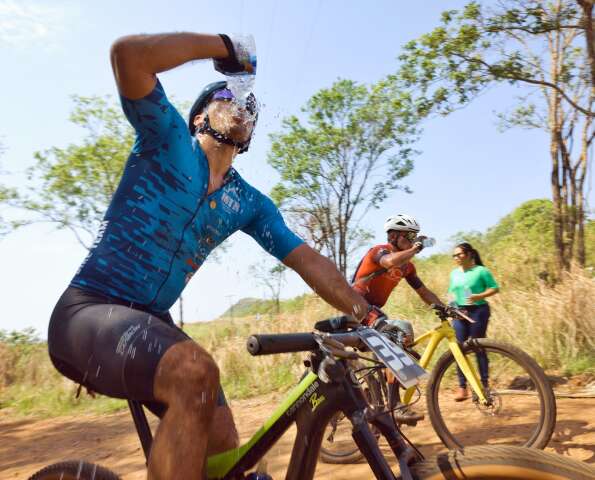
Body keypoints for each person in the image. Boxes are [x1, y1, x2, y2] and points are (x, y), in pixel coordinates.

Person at [47, 32, 372, 480]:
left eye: (251, 110)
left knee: (225, 445)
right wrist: (222, 47)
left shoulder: (248, 201)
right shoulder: (166, 140)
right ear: (199, 116)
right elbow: (128, 57)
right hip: (88, 312)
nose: (243, 107)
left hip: (152, 322)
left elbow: (307, 259)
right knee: (195, 371)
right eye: (228, 97)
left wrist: (367, 313)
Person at [351, 213, 444, 422]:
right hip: (356, 306)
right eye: (409, 236)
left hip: (374, 311)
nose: (413, 240)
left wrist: (444, 308)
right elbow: (389, 261)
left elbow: (424, 292)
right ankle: (395, 406)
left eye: (415, 237)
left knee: (405, 336)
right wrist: (415, 249)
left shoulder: (408, 266)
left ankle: (388, 391)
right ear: (393, 236)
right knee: (398, 331)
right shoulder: (380, 251)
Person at [448, 242, 500, 401]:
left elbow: (494, 288)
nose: (456, 258)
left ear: (469, 254)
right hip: (459, 312)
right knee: (459, 348)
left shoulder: (481, 271)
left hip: (478, 311)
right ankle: (462, 387)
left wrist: (479, 296)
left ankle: (484, 386)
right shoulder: (454, 274)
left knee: (477, 346)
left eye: (459, 254)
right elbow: (451, 291)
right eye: (454, 255)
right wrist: (450, 304)